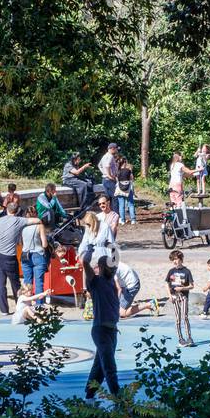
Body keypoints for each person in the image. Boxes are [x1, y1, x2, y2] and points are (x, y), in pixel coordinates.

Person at [82, 241, 122, 400]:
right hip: (101, 329)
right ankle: (118, 398)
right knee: (109, 367)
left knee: (99, 366)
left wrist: (110, 245)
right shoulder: (95, 282)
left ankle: (89, 394)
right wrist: (89, 250)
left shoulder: (111, 279)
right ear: (101, 267)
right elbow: (85, 263)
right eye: (109, 265)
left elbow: (116, 258)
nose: (113, 268)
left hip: (112, 330)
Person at [0, 204, 36, 313]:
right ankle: (19, 304)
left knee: (0, 283)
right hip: (10, 256)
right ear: (17, 210)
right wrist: (40, 221)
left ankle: (4, 309)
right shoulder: (19, 220)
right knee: (15, 283)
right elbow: (33, 221)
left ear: (6, 210)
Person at [167, 250, 195, 347]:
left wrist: (182, 288)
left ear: (181, 259)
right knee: (177, 318)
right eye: (173, 260)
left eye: (176, 259)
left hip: (183, 297)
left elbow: (192, 286)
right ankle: (180, 339)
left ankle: (189, 338)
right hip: (174, 297)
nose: (174, 261)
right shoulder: (171, 271)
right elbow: (167, 283)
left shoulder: (187, 271)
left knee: (185, 317)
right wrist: (169, 295)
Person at [19, 209, 49, 296]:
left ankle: (26, 303)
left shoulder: (22, 227)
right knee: (39, 283)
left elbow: (21, 243)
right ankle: (38, 306)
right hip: (38, 254)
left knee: (27, 282)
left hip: (25, 255)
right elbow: (44, 244)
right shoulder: (40, 226)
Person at [115, 159, 137, 225]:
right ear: (124, 163)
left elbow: (116, 180)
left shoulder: (117, 171)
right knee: (130, 204)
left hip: (120, 189)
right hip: (128, 189)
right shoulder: (128, 171)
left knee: (121, 205)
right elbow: (132, 179)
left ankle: (122, 220)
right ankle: (133, 220)